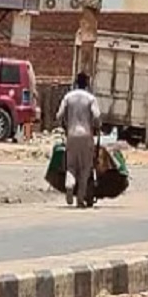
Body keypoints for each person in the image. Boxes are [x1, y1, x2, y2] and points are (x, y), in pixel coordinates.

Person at [56, 72, 102, 208]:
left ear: (76, 83)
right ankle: (80, 199)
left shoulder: (68, 97)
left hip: (71, 135)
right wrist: (97, 126)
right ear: (87, 84)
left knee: (71, 166)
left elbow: (59, 115)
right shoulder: (91, 98)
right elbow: (97, 116)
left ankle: (69, 185)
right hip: (86, 136)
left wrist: (65, 124)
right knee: (85, 168)